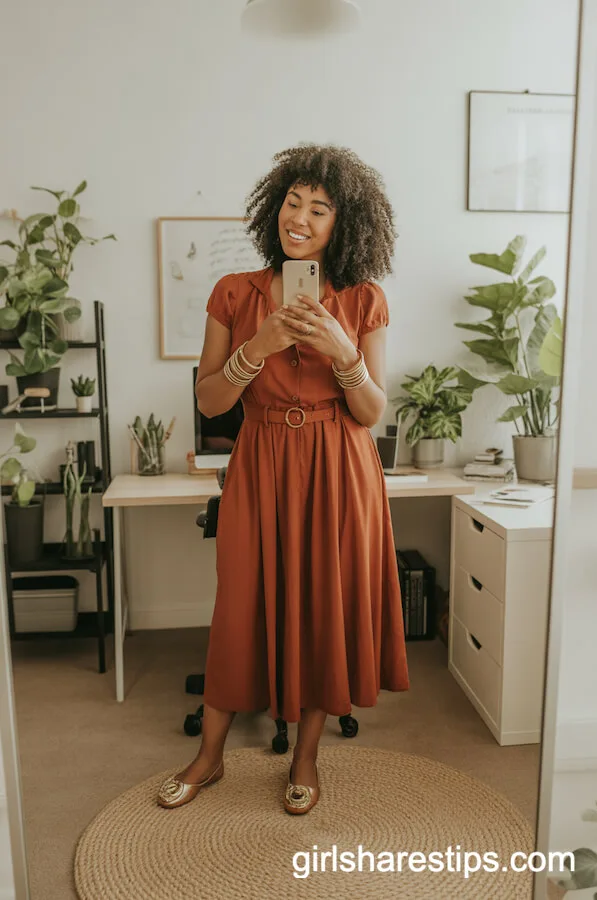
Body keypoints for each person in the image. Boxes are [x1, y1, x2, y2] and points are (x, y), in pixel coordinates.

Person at [157, 144, 409, 815]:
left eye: (319, 209)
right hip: (261, 458)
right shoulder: (234, 292)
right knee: (237, 605)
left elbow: (372, 412)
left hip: (339, 465)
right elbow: (211, 399)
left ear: (344, 223)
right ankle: (209, 756)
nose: (300, 218)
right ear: (274, 208)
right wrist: (260, 346)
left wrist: (343, 351)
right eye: (292, 203)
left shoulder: (364, 299)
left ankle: (305, 757)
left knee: (324, 607)